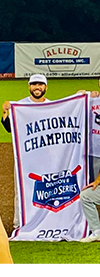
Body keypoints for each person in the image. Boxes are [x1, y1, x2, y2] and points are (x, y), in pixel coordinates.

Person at [2, 74, 53, 229]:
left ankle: (46, 220)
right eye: (34, 84)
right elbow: (9, 128)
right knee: (22, 189)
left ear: (46, 87)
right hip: (24, 157)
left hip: (46, 156)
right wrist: (5, 113)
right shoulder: (20, 106)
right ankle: (19, 222)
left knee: (47, 188)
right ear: (29, 86)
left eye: (40, 84)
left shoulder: (53, 106)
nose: (37, 87)